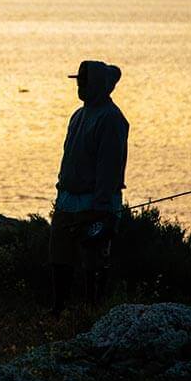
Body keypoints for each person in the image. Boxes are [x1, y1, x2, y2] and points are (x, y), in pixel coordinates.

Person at [50, 60, 129, 315]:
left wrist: (101, 207)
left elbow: (110, 168)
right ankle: (59, 308)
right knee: (59, 257)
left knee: (93, 261)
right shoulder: (78, 115)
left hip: (95, 204)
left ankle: (93, 310)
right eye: (78, 81)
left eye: (84, 81)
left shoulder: (112, 119)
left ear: (97, 84)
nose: (79, 86)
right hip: (67, 200)